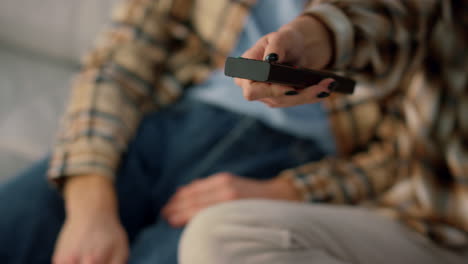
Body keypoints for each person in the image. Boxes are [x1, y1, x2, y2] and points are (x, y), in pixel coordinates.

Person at [0, 0, 465, 264]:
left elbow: (405, 151)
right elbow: (120, 60)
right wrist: (90, 207)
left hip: (300, 162)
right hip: (164, 123)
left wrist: (285, 191)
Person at [178, 0, 468, 263]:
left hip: (298, 154)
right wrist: (317, 36)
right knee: (219, 236)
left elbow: (389, 151)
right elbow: (394, 14)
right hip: (431, 222)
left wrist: (292, 190)